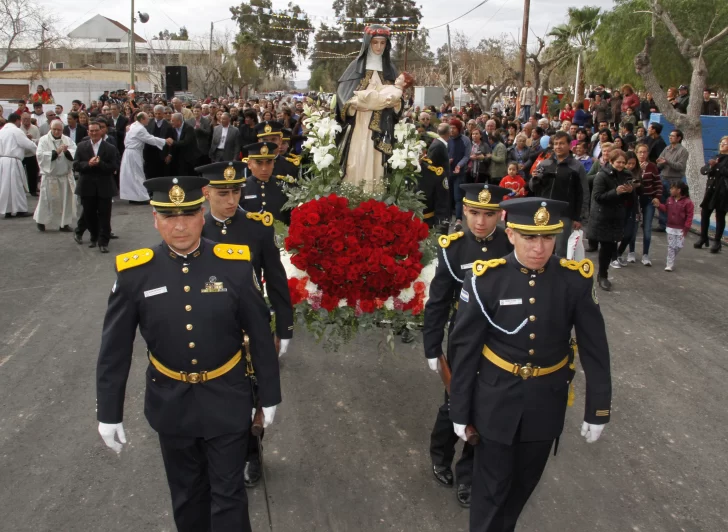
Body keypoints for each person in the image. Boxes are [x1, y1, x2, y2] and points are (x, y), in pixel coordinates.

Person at [95, 175, 281, 532]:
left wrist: (269, 395)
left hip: (227, 396)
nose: (179, 225)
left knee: (228, 494)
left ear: (202, 215)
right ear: (155, 219)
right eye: (168, 216)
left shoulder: (234, 265)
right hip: (171, 401)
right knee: (186, 493)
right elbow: (114, 349)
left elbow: (259, 333)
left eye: (188, 215)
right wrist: (109, 411)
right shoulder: (136, 272)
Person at [449, 196, 612, 532]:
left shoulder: (575, 281)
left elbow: (595, 348)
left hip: (546, 403)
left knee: (521, 488)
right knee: (490, 491)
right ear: (511, 235)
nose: (539, 247)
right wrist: (459, 411)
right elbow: (464, 350)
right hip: (495, 401)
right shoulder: (486, 279)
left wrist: (598, 409)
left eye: (547, 237)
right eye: (529, 237)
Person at [199, 161, 293, 487]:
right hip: (210, 330)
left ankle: (252, 455)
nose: (231, 200)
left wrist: (285, 328)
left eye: (236, 191)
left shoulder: (257, 227)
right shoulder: (194, 228)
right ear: (205, 192)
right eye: (222, 193)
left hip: (249, 330)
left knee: (252, 396)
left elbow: (277, 281)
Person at [423, 184, 514, 509]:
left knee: (486, 411)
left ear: (500, 215)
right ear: (464, 212)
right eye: (474, 213)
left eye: (489, 215)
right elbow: (437, 302)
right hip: (463, 340)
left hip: (502, 342)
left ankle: (468, 476)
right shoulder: (453, 249)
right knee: (455, 403)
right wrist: (432, 347)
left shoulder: (512, 244)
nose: (480, 221)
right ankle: (440, 454)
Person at [336, 25, 401, 193]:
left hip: (382, 129)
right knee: (357, 160)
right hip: (359, 125)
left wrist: (395, 105)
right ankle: (355, 197)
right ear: (367, 43)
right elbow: (343, 98)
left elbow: (398, 101)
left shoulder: (391, 70)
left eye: (382, 43)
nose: (379, 47)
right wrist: (354, 106)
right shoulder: (355, 68)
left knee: (378, 164)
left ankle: (377, 200)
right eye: (375, 43)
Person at [528, 131, 585, 257]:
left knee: (561, 249)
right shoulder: (544, 164)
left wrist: (578, 217)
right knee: (542, 247)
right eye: (556, 144)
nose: (558, 146)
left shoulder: (576, 167)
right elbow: (533, 188)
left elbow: (583, 193)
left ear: (570, 145)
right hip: (544, 212)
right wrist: (534, 178)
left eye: (562, 143)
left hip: (565, 214)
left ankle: (559, 274)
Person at [587, 149, 633, 291]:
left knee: (612, 244)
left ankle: (603, 274)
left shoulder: (627, 175)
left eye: (623, 163)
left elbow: (630, 198)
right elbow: (598, 197)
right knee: (606, 246)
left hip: (617, 215)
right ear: (611, 161)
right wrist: (616, 192)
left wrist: (630, 191)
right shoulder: (601, 175)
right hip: (603, 216)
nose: (621, 165)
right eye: (618, 162)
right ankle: (602, 276)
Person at [73, 120, 120, 253]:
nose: (93, 133)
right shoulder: (82, 146)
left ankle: (103, 241)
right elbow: (76, 165)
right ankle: (94, 235)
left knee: (105, 215)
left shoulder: (110, 148)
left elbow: (114, 167)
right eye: (91, 130)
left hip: (104, 186)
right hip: (86, 186)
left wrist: (100, 164)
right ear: (88, 132)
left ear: (101, 131)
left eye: (96, 130)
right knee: (89, 214)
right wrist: (88, 164)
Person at [33, 120, 77, 232]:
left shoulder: (67, 139)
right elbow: (40, 155)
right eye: (54, 129)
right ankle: (41, 221)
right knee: (46, 200)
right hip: (50, 177)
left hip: (64, 176)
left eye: (59, 130)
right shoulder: (43, 140)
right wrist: (55, 152)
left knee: (65, 201)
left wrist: (67, 152)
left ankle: (64, 224)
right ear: (50, 128)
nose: (57, 132)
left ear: (63, 130)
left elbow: (74, 152)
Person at [120, 112, 170, 203]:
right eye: (147, 118)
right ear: (142, 119)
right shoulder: (140, 128)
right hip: (133, 153)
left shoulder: (133, 125)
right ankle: (142, 198)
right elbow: (150, 139)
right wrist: (164, 141)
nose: (149, 120)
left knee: (132, 175)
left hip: (130, 152)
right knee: (137, 175)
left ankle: (134, 197)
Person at [0, 113, 37, 218]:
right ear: (17, 120)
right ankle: (20, 209)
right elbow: (27, 144)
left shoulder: (1, 131)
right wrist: (39, 151)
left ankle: (7, 210)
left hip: (2, 161)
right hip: (12, 161)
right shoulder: (16, 131)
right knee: (17, 186)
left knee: (5, 187)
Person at [695, 136, 728, 253]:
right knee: (705, 214)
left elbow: (725, 172)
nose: (722, 145)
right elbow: (703, 170)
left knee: (720, 216)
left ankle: (717, 241)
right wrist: (710, 166)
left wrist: (716, 166)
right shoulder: (716, 157)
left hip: (722, 192)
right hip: (710, 190)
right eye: (721, 143)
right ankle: (703, 237)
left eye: (725, 143)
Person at [654, 182, 694, 270]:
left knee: (679, 246)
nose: (670, 190)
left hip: (681, 229)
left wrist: (686, 227)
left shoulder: (688, 202)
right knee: (671, 246)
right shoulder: (669, 199)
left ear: (679, 190)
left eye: (672, 188)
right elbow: (666, 209)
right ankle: (669, 264)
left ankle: (671, 258)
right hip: (670, 228)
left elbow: (689, 216)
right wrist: (659, 205)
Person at [634, 143, 662, 266]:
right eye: (640, 152)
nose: (642, 154)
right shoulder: (633, 166)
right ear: (636, 153)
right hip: (635, 200)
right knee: (633, 227)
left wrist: (657, 197)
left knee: (647, 228)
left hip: (648, 199)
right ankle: (631, 252)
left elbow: (658, 184)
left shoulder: (652, 167)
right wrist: (639, 170)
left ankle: (645, 254)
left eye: (645, 152)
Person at [656, 129, 688, 232]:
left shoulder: (683, 151)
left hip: (674, 180)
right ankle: (662, 224)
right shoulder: (667, 148)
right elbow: (660, 161)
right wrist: (660, 162)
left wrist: (667, 161)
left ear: (679, 138)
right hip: (663, 177)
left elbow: (680, 166)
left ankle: (672, 224)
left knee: (673, 203)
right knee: (662, 201)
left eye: (673, 136)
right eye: (670, 135)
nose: (670, 137)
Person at [144, 105, 174, 178]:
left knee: (161, 174)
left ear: (163, 113)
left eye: (159, 113)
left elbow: (171, 141)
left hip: (162, 153)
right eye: (156, 113)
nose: (157, 115)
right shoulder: (148, 123)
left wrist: (170, 154)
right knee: (149, 174)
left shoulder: (169, 125)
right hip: (149, 153)